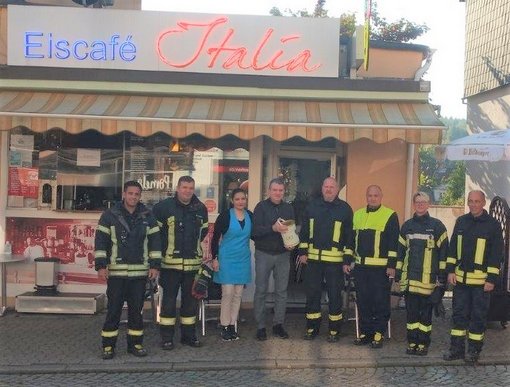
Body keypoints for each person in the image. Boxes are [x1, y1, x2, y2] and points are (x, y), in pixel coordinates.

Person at [94, 180, 161, 360]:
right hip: (116, 273)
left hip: (140, 274)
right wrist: (101, 266)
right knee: (113, 311)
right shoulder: (109, 216)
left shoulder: (148, 216)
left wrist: (155, 266)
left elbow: (155, 243)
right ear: (124, 194)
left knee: (136, 312)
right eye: (130, 193)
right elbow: (101, 243)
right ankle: (108, 347)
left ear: (140, 196)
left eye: (136, 194)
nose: (133, 197)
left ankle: (136, 345)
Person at [443, 190, 503, 364]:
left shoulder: (492, 225)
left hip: (481, 283)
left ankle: (474, 352)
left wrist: (491, 279)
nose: (473, 204)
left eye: (477, 201)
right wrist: (450, 270)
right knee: (458, 316)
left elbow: (496, 254)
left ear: (483, 203)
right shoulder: (461, 221)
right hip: (461, 281)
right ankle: (456, 350)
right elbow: (453, 248)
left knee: (478, 318)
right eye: (470, 201)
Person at [153, 176, 208, 350]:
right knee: (168, 303)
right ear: (177, 188)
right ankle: (167, 338)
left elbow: (203, 232)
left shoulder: (201, 208)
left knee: (190, 303)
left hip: (192, 265)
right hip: (169, 265)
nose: (187, 191)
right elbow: (156, 236)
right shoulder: (163, 208)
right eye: (184, 187)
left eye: (191, 188)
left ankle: (189, 336)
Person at [298, 177, 354, 342]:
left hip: (335, 263)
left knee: (335, 295)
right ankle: (312, 327)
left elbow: (349, 237)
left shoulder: (345, 209)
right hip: (313, 261)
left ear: (337, 190)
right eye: (326, 186)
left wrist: (347, 260)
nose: (329, 189)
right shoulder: (312, 206)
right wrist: (302, 251)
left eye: (332, 187)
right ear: (322, 188)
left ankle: (334, 330)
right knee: (312, 294)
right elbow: (305, 231)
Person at [344, 185, 399, 348]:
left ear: (381, 197)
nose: (372, 198)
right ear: (366, 197)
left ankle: (378, 333)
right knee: (363, 301)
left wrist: (391, 265)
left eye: (375, 195)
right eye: (370, 195)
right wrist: (347, 261)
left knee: (380, 302)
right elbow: (350, 240)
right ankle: (366, 332)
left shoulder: (390, 215)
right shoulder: (358, 214)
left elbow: (393, 243)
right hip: (361, 268)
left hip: (380, 269)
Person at [396, 192, 448, 356]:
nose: (420, 204)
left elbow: (444, 255)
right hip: (410, 280)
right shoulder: (407, 226)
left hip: (429, 282)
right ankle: (412, 342)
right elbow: (400, 252)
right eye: (417, 202)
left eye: (423, 202)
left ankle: (423, 344)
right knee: (411, 315)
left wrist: (441, 278)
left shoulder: (438, 226)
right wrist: (398, 274)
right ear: (413, 204)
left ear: (428, 204)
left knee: (425, 316)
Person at [252, 177, 296, 341]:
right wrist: (273, 228)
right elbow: (254, 232)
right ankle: (260, 326)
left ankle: (278, 324)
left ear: (284, 192)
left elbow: (290, 230)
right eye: (275, 190)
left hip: (283, 254)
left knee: (282, 292)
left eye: (281, 190)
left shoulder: (288, 208)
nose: (278, 193)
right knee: (261, 290)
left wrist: (292, 243)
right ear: (269, 191)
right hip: (264, 253)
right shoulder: (261, 207)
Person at [211, 188, 253, 341]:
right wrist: (214, 258)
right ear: (232, 201)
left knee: (238, 295)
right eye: (237, 199)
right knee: (227, 293)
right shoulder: (225, 216)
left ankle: (232, 325)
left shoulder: (250, 216)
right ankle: (224, 325)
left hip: (242, 259)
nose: (241, 201)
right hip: (226, 258)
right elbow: (215, 238)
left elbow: (258, 234)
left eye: (243, 199)